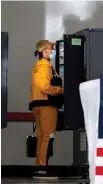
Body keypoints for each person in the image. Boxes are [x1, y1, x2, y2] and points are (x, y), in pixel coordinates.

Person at [29, 40, 64, 179]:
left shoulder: (38, 66)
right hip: (46, 105)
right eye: (50, 49)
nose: (53, 51)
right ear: (44, 51)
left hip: (38, 105)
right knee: (48, 137)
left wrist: (53, 43)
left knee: (42, 137)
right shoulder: (45, 67)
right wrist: (60, 90)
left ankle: (39, 166)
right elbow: (45, 86)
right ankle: (43, 167)